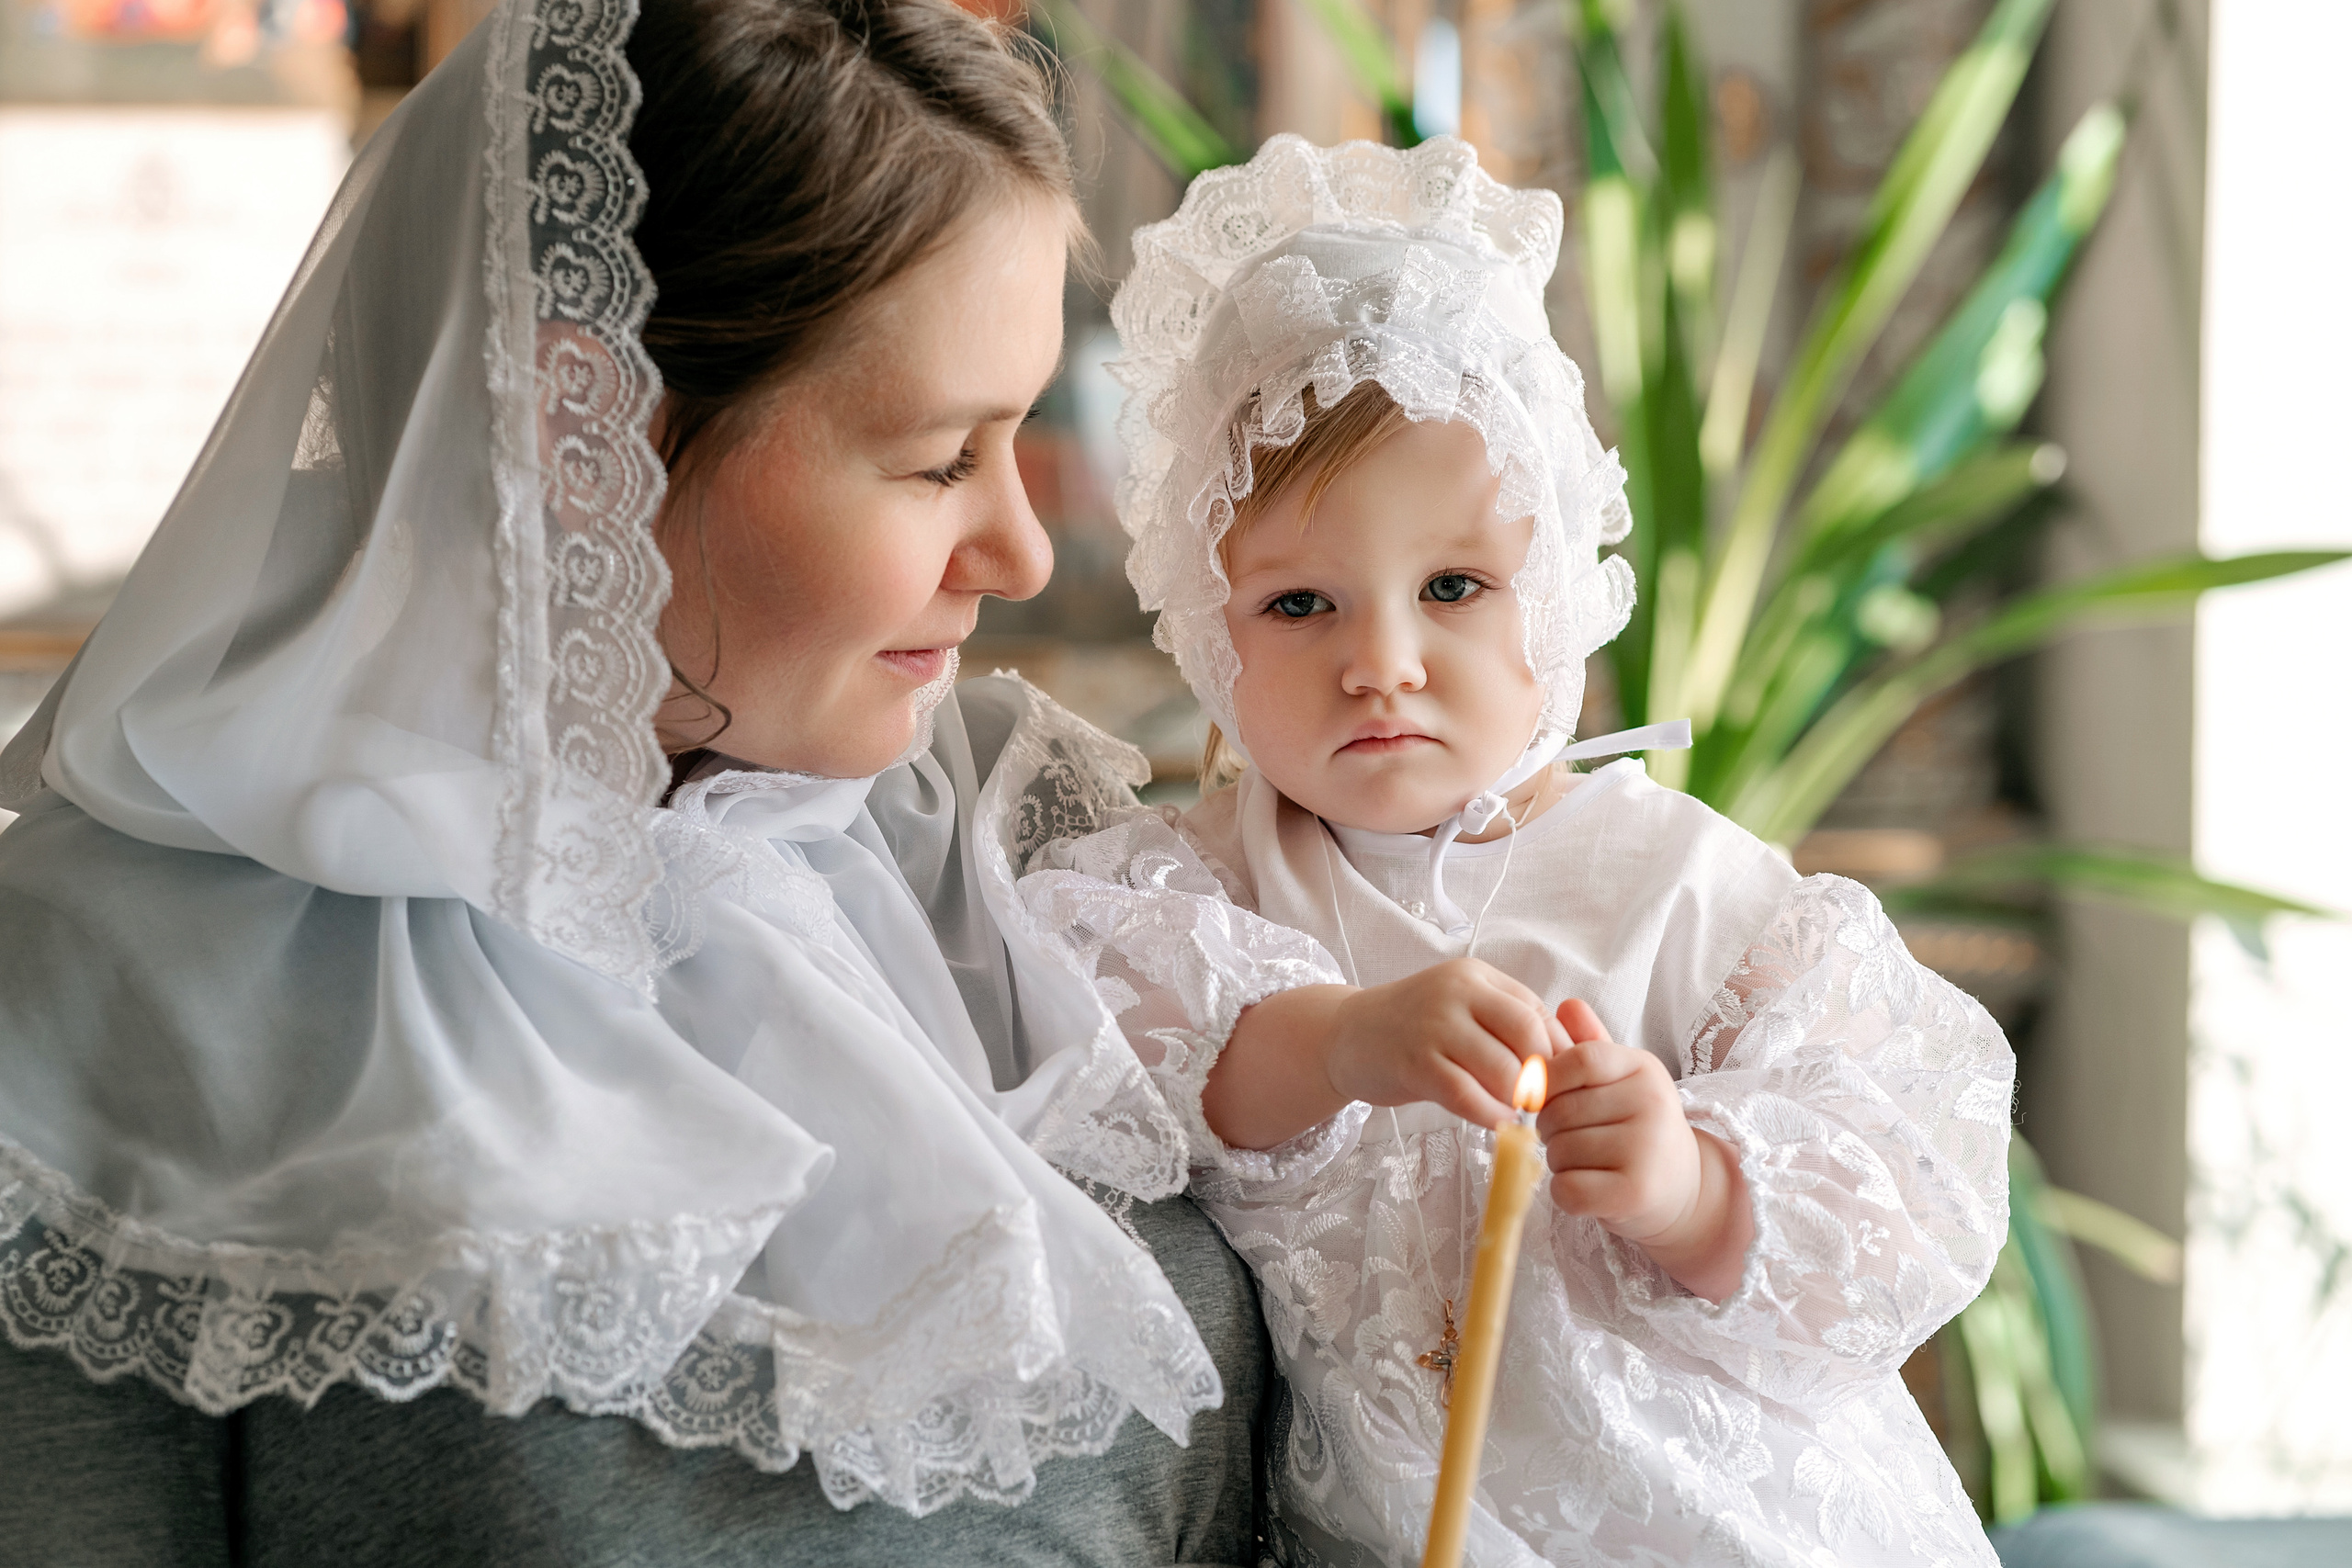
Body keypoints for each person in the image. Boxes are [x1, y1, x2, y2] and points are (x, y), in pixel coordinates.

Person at [0, 3, 1275, 1562]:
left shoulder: (1014, 841)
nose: (1017, 550)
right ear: (590, 427)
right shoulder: (92, 1021)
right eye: (945, 458)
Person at [1006, 135, 2018, 1565]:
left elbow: (1904, 1179)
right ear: (1205, 619)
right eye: (1301, 605)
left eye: (1455, 588)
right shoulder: (1210, 880)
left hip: (1723, 1516)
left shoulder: (1685, 888)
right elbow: (1116, 1041)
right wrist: (1344, 1041)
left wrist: (1692, 1186)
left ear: (1551, 595)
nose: (1384, 664)